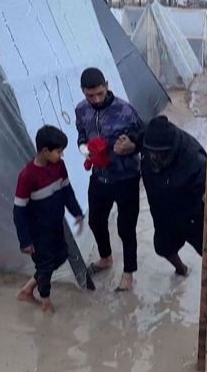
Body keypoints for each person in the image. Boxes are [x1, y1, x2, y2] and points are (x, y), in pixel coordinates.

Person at [140, 116, 207, 287]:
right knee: (162, 247)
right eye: (150, 152)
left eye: (159, 154)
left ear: (171, 149)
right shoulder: (147, 139)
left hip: (192, 211)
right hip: (162, 209)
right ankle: (182, 269)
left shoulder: (192, 158)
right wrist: (128, 144)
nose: (153, 157)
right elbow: (134, 137)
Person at [75, 67, 143, 292]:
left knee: (126, 227)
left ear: (106, 85)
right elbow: (81, 135)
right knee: (95, 220)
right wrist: (85, 149)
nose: (95, 99)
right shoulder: (81, 110)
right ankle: (106, 258)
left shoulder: (125, 110)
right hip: (100, 176)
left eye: (100, 94)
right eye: (90, 95)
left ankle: (129, 273)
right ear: (83, 92)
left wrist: (131, 146)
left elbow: (143, 136)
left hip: (126, 177)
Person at [14, 125, 85, 313]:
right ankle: (45, 302)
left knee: (61, 256)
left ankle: (28, 289)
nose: (61, 156)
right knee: (45, 266)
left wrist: (76, 212)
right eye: (59, 151)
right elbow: (18, 211)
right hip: (38, 232)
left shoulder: (59, 166)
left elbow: (66, 191)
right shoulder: (27, 176)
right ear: (45, 151)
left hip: (56, 226)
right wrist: (25, 241)